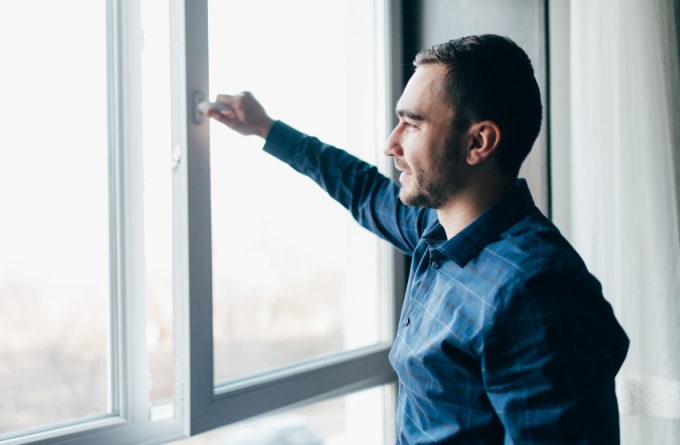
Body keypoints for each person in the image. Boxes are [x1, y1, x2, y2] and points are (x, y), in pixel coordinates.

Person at [204, 34, 629, 444]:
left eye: (411, 124)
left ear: (478, 142)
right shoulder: (439, 233)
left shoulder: (535, 291)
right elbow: (364, 190)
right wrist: (266, 128)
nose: (391, 144)